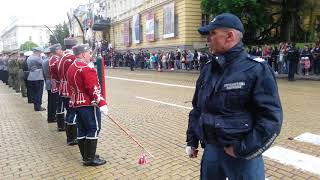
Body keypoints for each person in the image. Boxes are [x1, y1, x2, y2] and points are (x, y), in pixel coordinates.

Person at [185, 13, 283, 180]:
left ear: (229, 36)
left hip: (242, 156)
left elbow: (271, 119)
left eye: (213, 34)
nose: (208, 39)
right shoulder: (208, 69)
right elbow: (198, 109)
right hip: (211, 152)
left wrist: (243, 149)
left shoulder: (256, 69)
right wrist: (192, 139)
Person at [66, 44, 109, 166]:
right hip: (88, 103)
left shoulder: (71, 67)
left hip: (76, 103)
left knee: (82, 129)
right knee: (93, 128)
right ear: (84, 54)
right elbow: (93, 88)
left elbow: (71, 87)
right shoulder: (86, 68)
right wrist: (102, 103)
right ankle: (90, 158)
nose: (90, 55)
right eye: (89, 53)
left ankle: (86, 154)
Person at [58, 37, 78, 145]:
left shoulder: (62, 57)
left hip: (63, 88)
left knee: (69, 112)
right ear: (74, 46)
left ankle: (69, 136)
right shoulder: (72, 57)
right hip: (70, 89)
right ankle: (72, 138)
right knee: (73, 113)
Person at [49, 43, 65, 131]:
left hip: (57, 84)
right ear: (56, 51)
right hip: (59, 85)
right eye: (60, 49)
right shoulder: (55, 59)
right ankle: (61, 125)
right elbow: (59, 72)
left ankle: (61, 125)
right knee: (61, 105)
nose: (61, 51)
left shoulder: (54, 59)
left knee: (60, 105)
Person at [27, 47, 46, 111]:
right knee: (39, 92)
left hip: (31, 76)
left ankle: (36, 106)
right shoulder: (37, 58)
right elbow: (44, 64)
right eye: (40, 52)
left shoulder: (29, 58)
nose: (40, 53)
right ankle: (38, 106)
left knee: (35, 92)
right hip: (38, 76)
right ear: (37, 51)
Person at [42, 48, 56, 123]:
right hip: (52, 81)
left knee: (50, 100)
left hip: (47, 81)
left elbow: (43, 74)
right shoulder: (50, 61)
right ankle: (52, 117)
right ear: (50, 53)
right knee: (53, 101)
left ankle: (50, 116)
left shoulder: (44, 61)